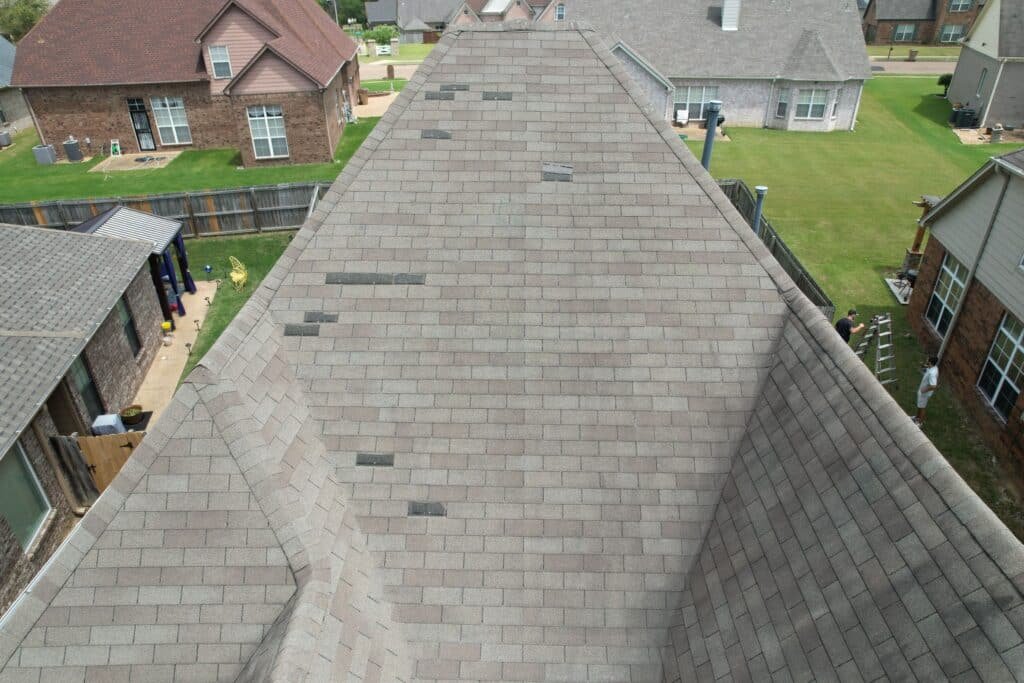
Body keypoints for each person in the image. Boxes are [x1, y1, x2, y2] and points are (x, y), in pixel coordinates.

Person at [914, 356, 939, 426]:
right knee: (920, 405)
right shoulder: (934, 367)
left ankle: (920, 423)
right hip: (922, 391)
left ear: (930, 362)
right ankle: (916, 418)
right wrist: (923, 366)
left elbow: (933, 386)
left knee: (922, 407)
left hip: (924, 393)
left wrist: (923, 390)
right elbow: (927, 367)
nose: (926, 361)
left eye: (927, 361)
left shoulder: (932, 373)